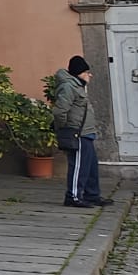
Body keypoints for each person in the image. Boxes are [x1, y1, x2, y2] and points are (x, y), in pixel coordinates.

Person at [51, 55, 110, 208]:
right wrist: (65, 128)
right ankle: (73, 197)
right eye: (87, 71)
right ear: (79, 72)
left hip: (87, 132)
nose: (90, 75)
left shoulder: (78, 86)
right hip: (77, 133)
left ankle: (92, 195)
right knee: (78, 166)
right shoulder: (69, 87)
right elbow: (59, 111)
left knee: (90, 166)